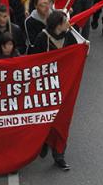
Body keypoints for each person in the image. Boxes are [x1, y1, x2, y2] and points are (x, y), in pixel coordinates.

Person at [30, 11, 75, 171]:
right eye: (65, 21)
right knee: (46, 118)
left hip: (64, 85)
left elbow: (75, 55)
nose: (68, 24)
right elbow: (35, 60)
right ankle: (43, 141)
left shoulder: (69, 37)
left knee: (61, 121)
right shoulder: (42, 38)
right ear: (58, 24)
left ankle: (59, 154)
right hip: (46, 86)